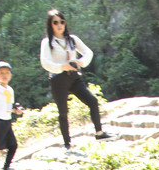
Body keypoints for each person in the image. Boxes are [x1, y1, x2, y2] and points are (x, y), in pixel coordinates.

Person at [40, 9, 108, 154]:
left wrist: (80, 62)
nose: (59, 25)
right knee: (63, 112)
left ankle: (99, 132)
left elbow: (88, 52)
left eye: (62, 21)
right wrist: (60, 67)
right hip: (58, 79)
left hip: (73, 76)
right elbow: (45, 62)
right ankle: (67, 143)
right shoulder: (48, 42)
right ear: (50, 25)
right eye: (55, 22)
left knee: (92, 100)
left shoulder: (72, 39)